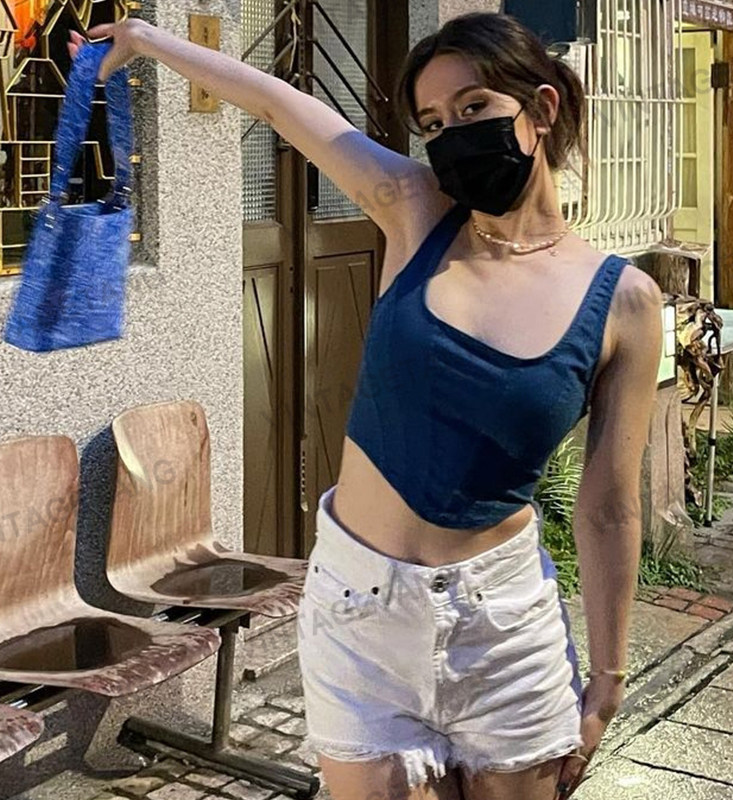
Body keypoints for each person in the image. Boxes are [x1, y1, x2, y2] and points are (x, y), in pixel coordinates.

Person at [69, 11, 663, 800]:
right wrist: (148, 40)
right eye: (433, 123)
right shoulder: (417, 214)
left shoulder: (624, 301)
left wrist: (610, 679)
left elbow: (610, 508)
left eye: (474, 107)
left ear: (542, 108)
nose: (452, 136)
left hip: (504, 629)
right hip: (361, 614)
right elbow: (278, 103)